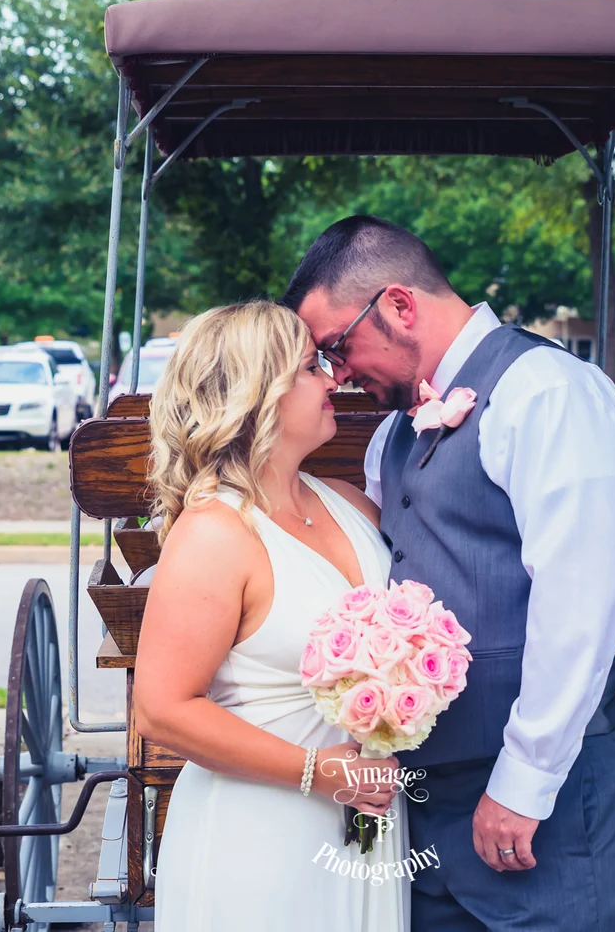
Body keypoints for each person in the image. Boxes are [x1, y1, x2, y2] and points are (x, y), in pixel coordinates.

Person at [284, 215, 615, 932]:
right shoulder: (391, 434)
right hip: (425, 805)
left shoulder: (546, 391)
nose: (339, 372)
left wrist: (524, 782)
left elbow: (580, 601)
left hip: (542, 804)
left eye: (336, 345)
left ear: (398, 305)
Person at [134, 301, 410, 931]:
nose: (333, 378)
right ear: (259, 393)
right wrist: (319, 772)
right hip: (259, 836)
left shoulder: (351, 505)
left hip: (369, 817)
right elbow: (161, 709)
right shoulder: (215, 532)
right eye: (312, 367)